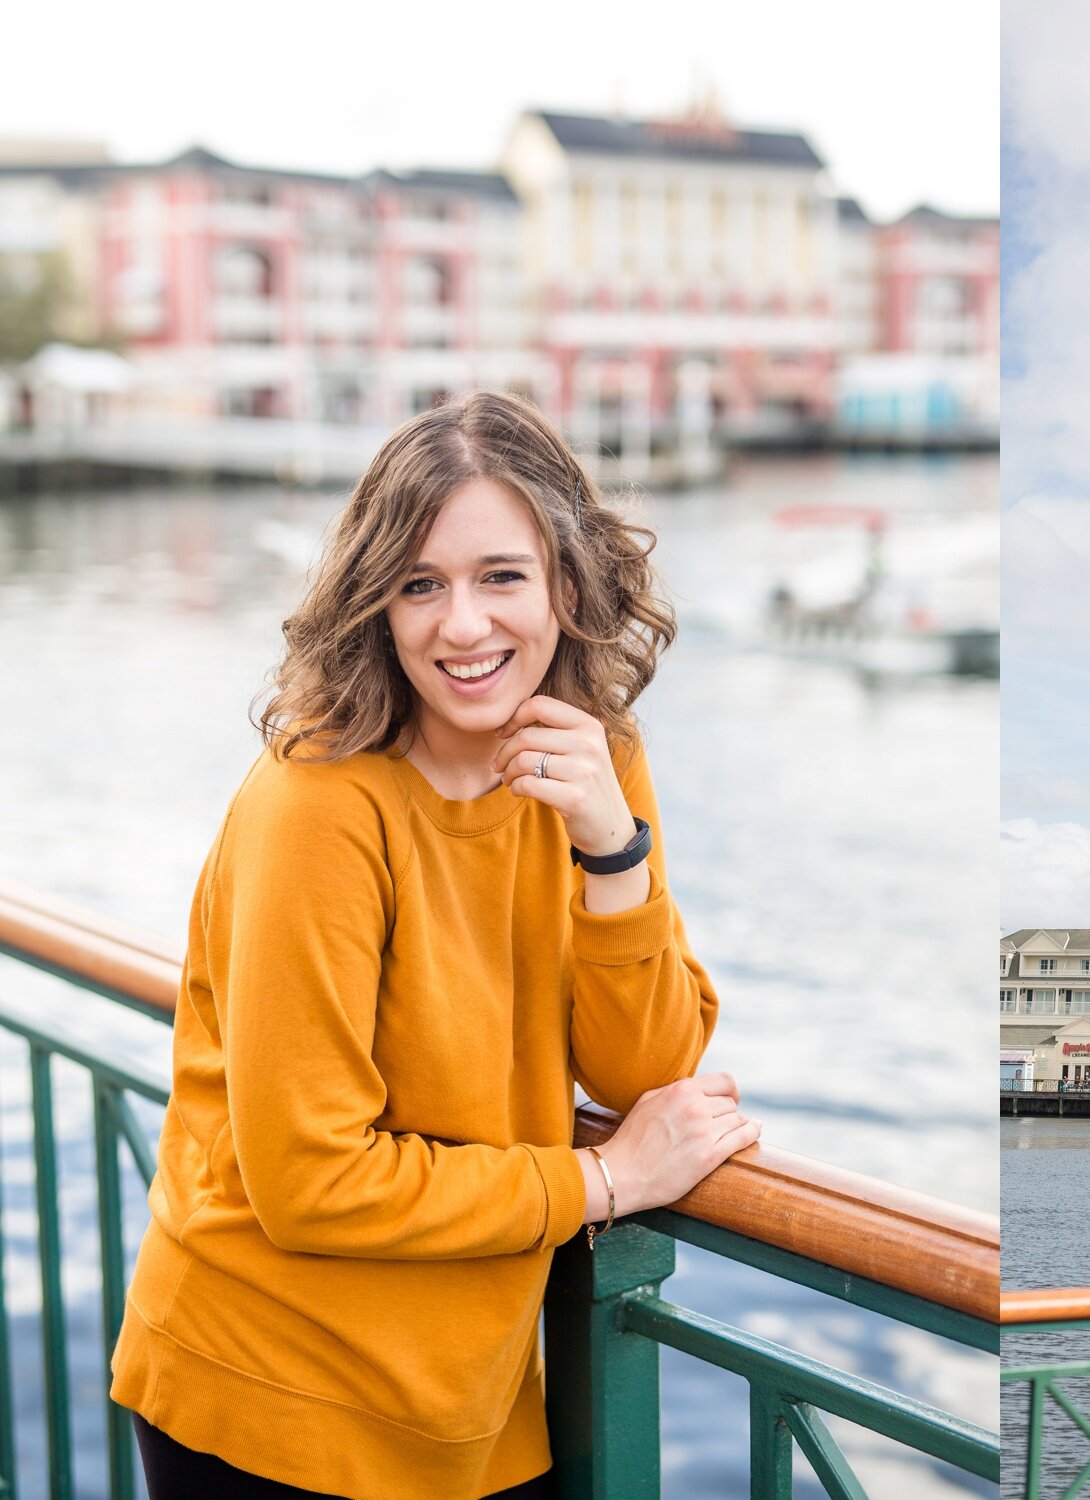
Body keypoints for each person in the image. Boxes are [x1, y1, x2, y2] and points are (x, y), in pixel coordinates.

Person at [107, 392, 759, 1500]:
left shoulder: (592, 757)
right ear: (376, 603)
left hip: (475, 1408)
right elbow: (309, 1181)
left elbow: (645, 1072)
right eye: (420, 585)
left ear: (567, 580)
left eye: (500, 576)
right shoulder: (319, 802)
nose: (462, 627)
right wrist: (602, 1180)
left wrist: (612, 849)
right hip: (268, 1403)